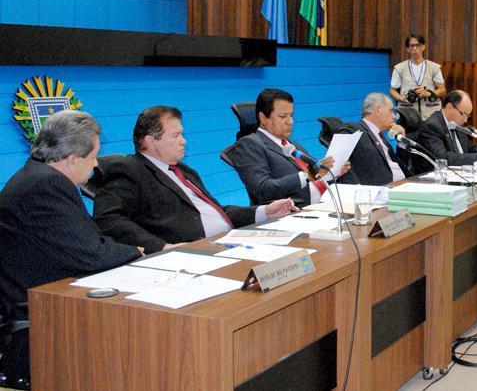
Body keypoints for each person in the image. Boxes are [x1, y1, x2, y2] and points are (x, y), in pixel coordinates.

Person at [0, 111, 142, 388]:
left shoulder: (36, 176)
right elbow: (92, 254)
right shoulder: (47, 185)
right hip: (41, 314)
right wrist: (135, 251)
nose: (96, 165)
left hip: (44, 294)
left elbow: (86, 244)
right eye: (93, 157)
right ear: (72, 159)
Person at [93, 106, 300, 254]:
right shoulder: (129, 170)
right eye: (176, 136)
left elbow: (217, 211)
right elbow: (109, 219)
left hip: (228, 243)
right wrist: (160, 248)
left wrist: (265, 211)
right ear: (150, 141)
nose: (184, 141)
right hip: (191, 255)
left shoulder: (184, 171)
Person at [232, 88, 351, 207]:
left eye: (291, 115)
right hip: (294, 213)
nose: (290, 122)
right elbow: (263, 189)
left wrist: (333, 171)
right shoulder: (249, 145)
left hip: (323, 204)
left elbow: (315, 176)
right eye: (283, 116)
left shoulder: (290, 144)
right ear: (263, 118)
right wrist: (307, 175)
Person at [418, 90, 477, 166]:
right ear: (449, 107)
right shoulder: (432, 126)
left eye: (468, 115)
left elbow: (469, 147)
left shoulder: (455, 124)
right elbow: (443, 158)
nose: (465, 120)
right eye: (463, 114)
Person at [347, 93, 411, 185]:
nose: (394, 116)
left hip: (404, 184)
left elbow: (402, 165)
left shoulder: (380, 136)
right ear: (378, 110)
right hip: (383, 191)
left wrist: (402, 141)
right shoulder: (355, 130)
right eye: (390, 111)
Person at [390, 33, 447, 121]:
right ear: (408, 49)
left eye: (417, 45)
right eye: (411, 46)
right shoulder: (399, 68)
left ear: (423, 47)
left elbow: (442, 90)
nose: (415, 48)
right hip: (408, 116)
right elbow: (392, 90)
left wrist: (428, 93)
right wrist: (403, 99)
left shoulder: (434, 68)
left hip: (430, 116)